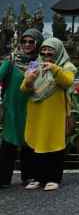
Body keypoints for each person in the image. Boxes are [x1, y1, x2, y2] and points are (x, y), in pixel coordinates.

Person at [20, 37, 76, 191]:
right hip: (35, 111)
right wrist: (29, 80)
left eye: (50, 52)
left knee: (53, 143)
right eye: (43, 52)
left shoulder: (67, 66)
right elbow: (23, 89)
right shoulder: (34, 64)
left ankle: (53, 178)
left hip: (54, 114)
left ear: (58, 52)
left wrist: (54, 69)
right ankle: (37, 178)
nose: (45, 55)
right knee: (35, 144)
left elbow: (67, 82)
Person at [0, 29, 43, 187]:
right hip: (12, 107)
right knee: (9, 142)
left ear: (38, 43)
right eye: (24, 41)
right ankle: (3, 179)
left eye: (31, 42)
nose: (27, 44)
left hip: (32, 106)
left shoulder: (41, 62)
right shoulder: (11, 60)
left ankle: (29, 176)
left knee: (29, 142)